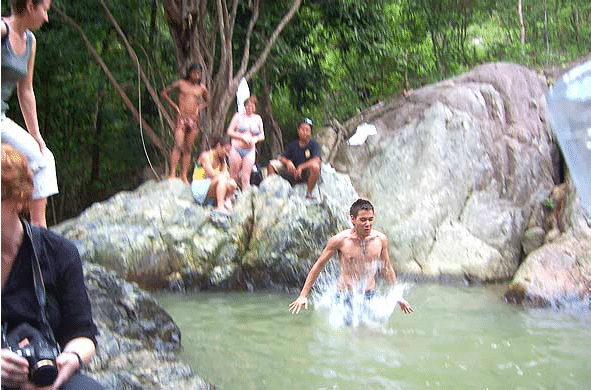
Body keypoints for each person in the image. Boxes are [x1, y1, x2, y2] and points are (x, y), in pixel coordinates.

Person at [1, 145, 103, 390]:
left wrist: (72, 358)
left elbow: (82, 334)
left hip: (46, 377)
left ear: (19, 199)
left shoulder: (59, 253)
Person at [289, 199, 414, 319]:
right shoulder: (340, 240)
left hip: (369, 294)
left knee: (372, 332)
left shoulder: (380, 239)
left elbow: (386, 268)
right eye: (363, 220)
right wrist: (303, 295)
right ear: (353, 219)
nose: (368, 224)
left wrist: (397, 295)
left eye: (371, 219)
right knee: (350, 333)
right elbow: (318, 265)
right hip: (345, 295)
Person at [1, 0, 58, 228]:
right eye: (44, 10)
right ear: (30, 6)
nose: (46, 18)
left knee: (43, 160)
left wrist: (36, 135)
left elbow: (26, 91)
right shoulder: (3, 30)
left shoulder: (30, 42)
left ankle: (38, 235)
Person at [161, 63, 209, 184]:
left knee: (188, 148)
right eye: (195, 72)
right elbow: (164, 93)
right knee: (178, 144)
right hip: (181, 118)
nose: (197, 75)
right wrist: (175, 106)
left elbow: (208, 101)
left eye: (199, 73)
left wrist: (199, 108)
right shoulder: (181, 84)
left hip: (193, 120)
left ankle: (184, 175)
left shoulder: (202, 88)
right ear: (190, 73)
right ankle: (172, 174)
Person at [267, 118, 321, 199]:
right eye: (303, 129)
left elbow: (317, 160)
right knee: (272, 165)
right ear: (298, 130)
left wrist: (301, 167)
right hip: (292, 172)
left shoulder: (314, 144)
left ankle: (309, 193)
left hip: (305, 174)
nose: (305, 132)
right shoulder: (293, 145)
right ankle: (273, 189)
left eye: (307, 130)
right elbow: (282, 157)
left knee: (315, 166)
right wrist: (288, 162)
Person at [191, 135, 237, 216]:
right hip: (199, 187)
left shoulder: (222, 161)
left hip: (211, 186)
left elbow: (228, 176)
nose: (226, 153)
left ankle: (222, 203)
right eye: (225, 150)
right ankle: (220, 207)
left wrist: (223, 174)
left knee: (232, 183)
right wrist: (222, 174)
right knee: (222, 178)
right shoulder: (205, 156)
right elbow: (211, 174)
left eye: (228, 152)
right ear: (218, 146)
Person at [226, 96, 264, 190]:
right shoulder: (238, 116)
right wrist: (241, 137)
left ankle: (244, 198)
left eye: (252, 106)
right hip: (237, 148)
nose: (250, 108)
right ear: (245, 106)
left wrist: (255, 139)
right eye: (248, 105)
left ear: (255, 108)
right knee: (234, 175)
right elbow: (229, 131)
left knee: (246, 176)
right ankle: (229, 196)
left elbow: (262, 135)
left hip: (250, 150)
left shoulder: (258, 118)